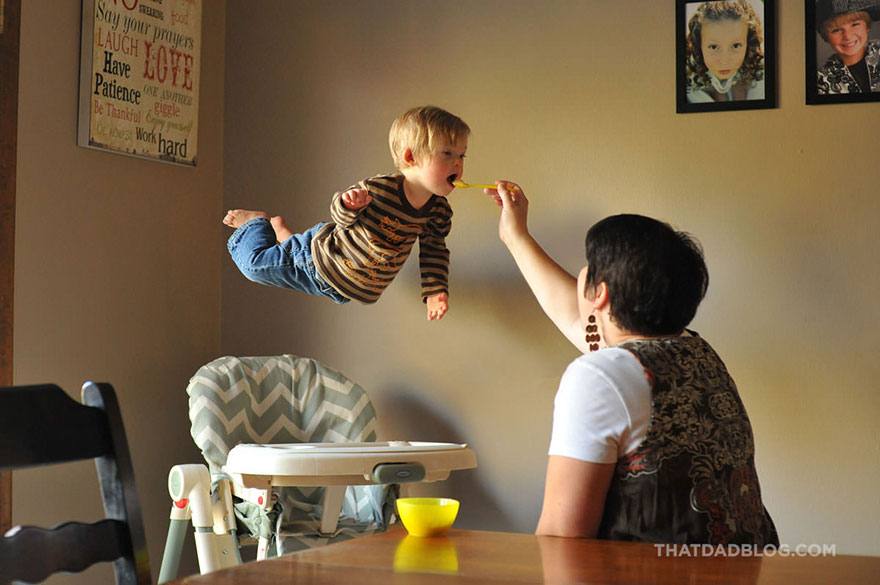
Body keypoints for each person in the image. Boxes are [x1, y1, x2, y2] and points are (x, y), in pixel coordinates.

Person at [485, 182, 778, 545]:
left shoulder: (599, 377)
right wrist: (516, 237)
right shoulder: (696, 353)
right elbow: (585, 326)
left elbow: (562, 537)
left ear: (600, 293)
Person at [223, 106, 469, 321]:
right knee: (254, 267)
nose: (458, 163)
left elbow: (434, 250)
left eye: (461, 155)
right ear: (410, 156)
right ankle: (256, 223)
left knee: (291, 256)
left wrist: (435, 291)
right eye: (447, 154)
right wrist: (349, 205)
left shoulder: (438, 211)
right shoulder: (380, 189)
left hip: (338, 287)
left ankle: (282, 232)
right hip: (320, 259)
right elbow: (340, 218)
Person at [685, 1, 766, 102]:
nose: (724, 61)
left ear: (749, 44)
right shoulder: (685, 83)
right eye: (713, 47)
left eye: (736, 46)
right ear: (698, 46)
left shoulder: (763, 76)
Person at [815, 0, 880, 94]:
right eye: (836, 30)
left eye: (855, 24)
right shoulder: (821, 81)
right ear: (826, 37)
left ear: (867, 27)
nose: (848, 36)